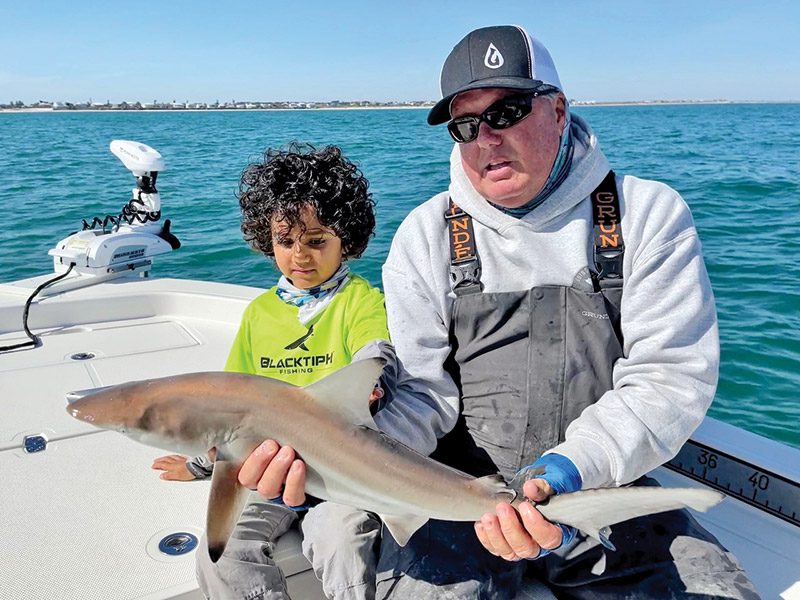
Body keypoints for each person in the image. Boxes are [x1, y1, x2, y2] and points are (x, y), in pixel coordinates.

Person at [237, 25, 759, 600]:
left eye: (508, 111)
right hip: (453, 496)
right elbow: (419, 393)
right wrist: (328, 452)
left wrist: (564, 473)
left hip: (603, 486)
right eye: (465, 124)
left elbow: (668, 377)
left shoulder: (647, 216)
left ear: (558, 110)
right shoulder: (426, 236)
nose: (486, 138)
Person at [160, 142, 394, 600]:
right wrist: (200, 463)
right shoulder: (258, 314)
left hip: (341, 472)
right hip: (267, 469)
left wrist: (376, 379)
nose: (299, 256)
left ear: (346, 238)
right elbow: (230, 408)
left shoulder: (360, 300)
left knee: (341, 539)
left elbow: (376, 350)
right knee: (220, 552)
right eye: (285, 241)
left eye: (316, 241)